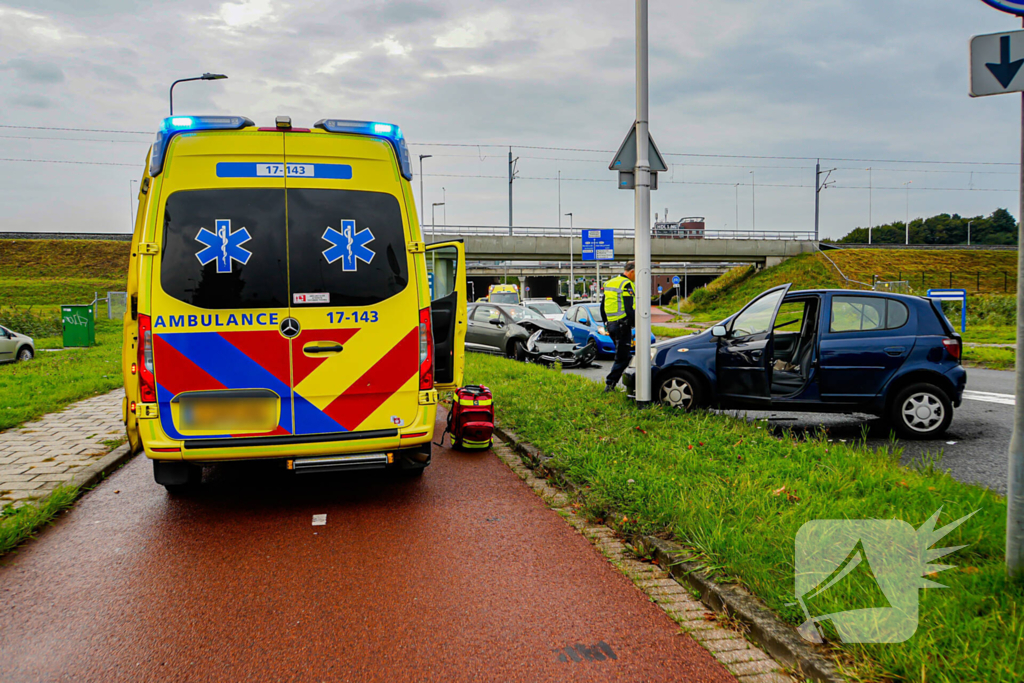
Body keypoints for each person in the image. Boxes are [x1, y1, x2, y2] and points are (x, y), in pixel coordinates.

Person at [600, 261, 636, 393]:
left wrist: (606, 323)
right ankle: (609, 386)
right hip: (622, 325)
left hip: (612, 325)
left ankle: (625, 383)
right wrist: (636, 324)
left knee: (624, 356)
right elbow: (628, 308)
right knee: (622, 357)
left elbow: (602, 306)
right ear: (632, 272)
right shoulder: (627, 284)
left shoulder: (610, 282)